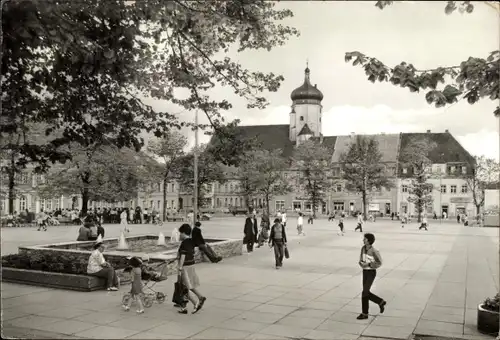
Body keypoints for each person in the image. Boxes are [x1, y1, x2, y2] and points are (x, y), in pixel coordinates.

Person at [177, 224, 207, 314]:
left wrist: (179, 268)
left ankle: (198, 300)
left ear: (183, 233)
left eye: (180, 233)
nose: (179, 235)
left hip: (185, 267)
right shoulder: (191, 241)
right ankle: (186, 306)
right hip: (191, 265)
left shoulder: (184, 243)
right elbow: (191, 252)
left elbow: (183, 256)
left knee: (185, 287)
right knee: (187, 286)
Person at [357, 233, 386, 320]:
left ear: (369, 241)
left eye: (365, 239)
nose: (363, 240)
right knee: (365, 292)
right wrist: (361, 263)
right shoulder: (363, 248)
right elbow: (361, 259)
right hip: (365, 271)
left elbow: (379, 262)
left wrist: (369, 264)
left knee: (365, 292)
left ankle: (367, 312)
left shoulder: (374, 251)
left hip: (371, 272)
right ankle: (367, 311)